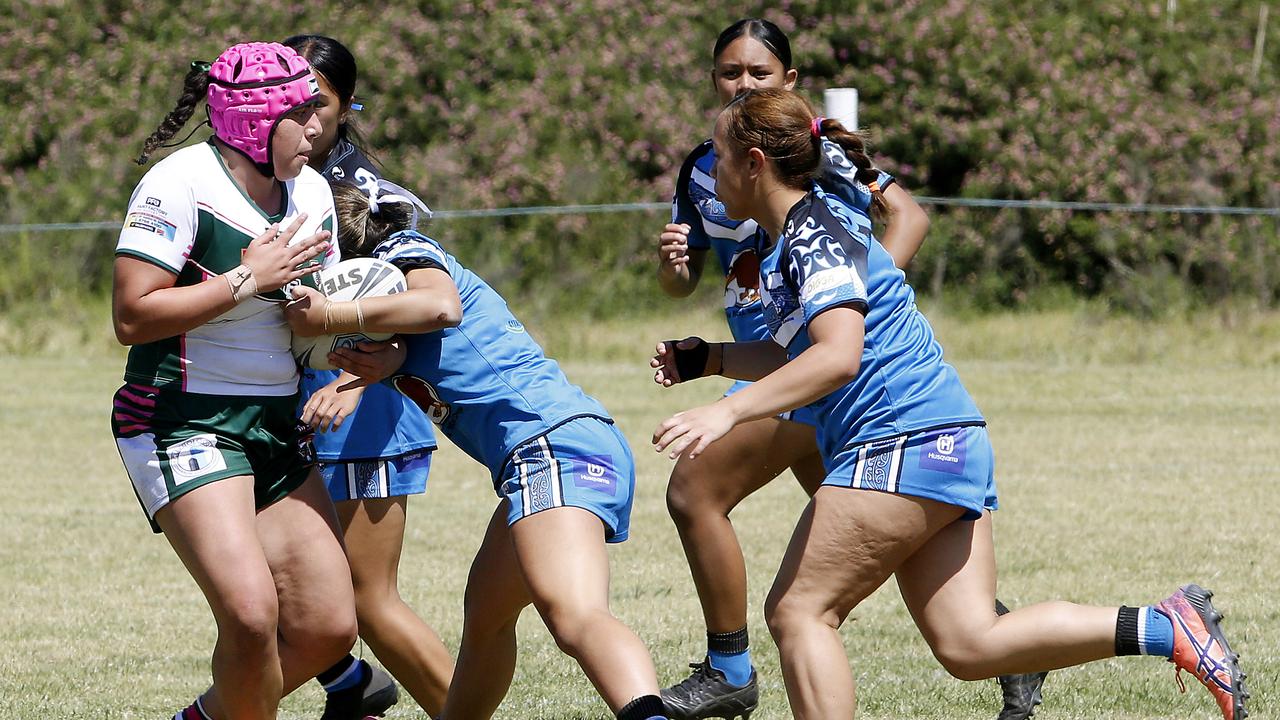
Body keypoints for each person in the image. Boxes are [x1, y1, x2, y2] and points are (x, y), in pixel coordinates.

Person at [652, 87, 1250, 720]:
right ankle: (1168, 628)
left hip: (900, 440)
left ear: (753, 162)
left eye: (716, 158)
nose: (709, 177)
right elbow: (805, 351)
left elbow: (837, 357)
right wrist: (711, 358)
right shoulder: (800, 234)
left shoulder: (813, 235)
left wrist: (728, 410)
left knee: (800, 611)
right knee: (969, 643)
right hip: (946, 436)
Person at [655, 17, 1044, 720]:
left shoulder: (813, 155)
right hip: (781, 358)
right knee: (863, 535)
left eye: (759, 74)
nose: (742, 82)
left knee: (699, 496)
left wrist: (853, 304)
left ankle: (728, 668)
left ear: (790, 83)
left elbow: (909, 219)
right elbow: (690, 285)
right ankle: (1004, 637)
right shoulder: (705, 166)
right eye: (729, 73)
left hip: (813, 371)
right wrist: (677, 279)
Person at [284, 183, 671, 720]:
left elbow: (439, 307)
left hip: (550, 446)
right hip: (553, 446)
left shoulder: (406, 254)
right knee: (487, 615)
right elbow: (412, 342)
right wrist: (358, 376)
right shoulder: (395, 309)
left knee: (576, 616)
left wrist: (328, 315)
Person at [116, 42, 357, 720]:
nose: (318, 126)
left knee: (328, 626)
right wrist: (248, 278)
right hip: (181, 418)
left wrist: (343, 327)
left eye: (318, 109)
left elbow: (309, 325)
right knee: (252, 617)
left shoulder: (311, 191)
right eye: (302, 111)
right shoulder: (180, 181)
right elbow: (132, 316)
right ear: (255, 120)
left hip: (275, 419)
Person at [282, 33, 454, 720]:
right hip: (303, 411)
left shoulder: (364, 197)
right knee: (286, 586)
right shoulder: (273, 179)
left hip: (367, 414)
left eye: (318, 103)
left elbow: (418, 306)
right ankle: (352, 689)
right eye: (290, 101)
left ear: (348, 105)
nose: (304, 116)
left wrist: (356, 381)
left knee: (367, 599)